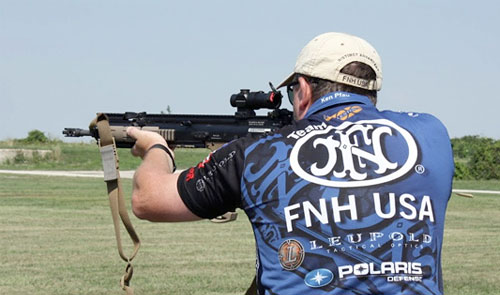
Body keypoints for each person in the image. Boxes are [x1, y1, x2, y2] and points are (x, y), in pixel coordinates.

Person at [127, 32, 454, 295]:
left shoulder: (257, 154)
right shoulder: (430, 134)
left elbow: (148, 199)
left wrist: (156, 147)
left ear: (305, 89)